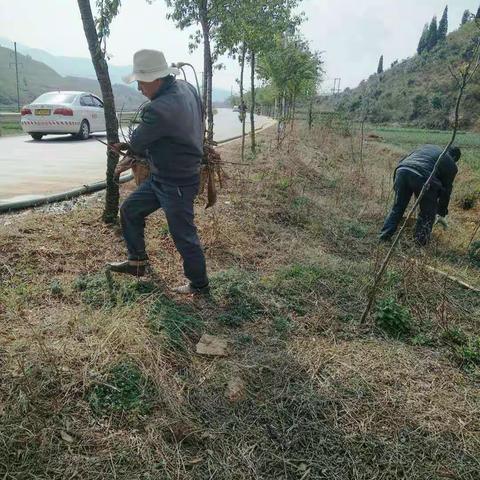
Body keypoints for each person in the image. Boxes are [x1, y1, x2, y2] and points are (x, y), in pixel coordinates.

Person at [107, 49, 209, 294]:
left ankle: (200, 285)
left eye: (142, 83)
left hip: (177, 182)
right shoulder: (186, 88)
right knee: (130, 210)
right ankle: (137, 261)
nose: (140, 89)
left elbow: (139, 142)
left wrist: (126, 148)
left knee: (183, 235)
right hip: (164, 177)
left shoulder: (158, 109)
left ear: (157, 79)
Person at [379, 144, 461, 245]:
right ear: (454, 158)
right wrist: (441, 212)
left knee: (398, 207)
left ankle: (384, 236)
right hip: (422, 176)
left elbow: (403, 161)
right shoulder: (451, 163)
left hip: (402, 170)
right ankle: (419, 244)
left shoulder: (427, 147)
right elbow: (446, 191)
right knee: (427, 214)